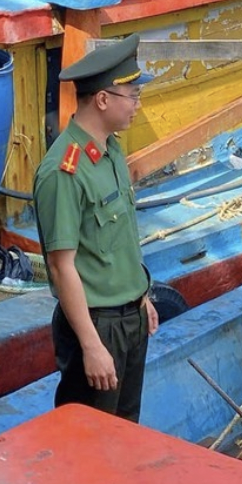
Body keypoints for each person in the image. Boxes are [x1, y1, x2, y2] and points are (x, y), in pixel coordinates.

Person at [33, 33, 158, 422]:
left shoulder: (110, 150)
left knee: (125, 433)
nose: (138, 104)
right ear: (103, 99)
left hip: (129, 318)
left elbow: (118, 240)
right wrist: (90, 344)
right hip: (97, 325)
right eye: (132, 95)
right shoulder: (64, 171)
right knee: (89, 443)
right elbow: (61, 265)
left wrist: (139, 295)